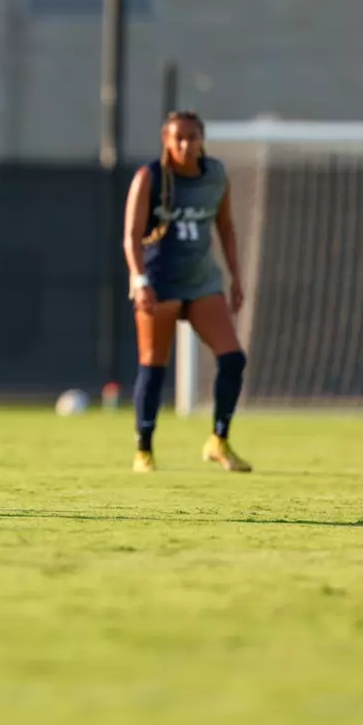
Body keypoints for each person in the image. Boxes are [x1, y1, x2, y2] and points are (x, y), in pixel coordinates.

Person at [123, 110, 249, 473]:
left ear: (202, 139)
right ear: (166, 140)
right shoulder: (150, 177)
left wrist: (236, 277)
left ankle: (218, 440)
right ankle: (144, 449)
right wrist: (139, 279)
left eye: (192, 137)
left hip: (201, 281)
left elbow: (225, 227)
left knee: (233, 359)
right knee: (154, 364)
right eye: (178, 137)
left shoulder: (215, 176)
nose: (185, 144)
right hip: (160, 281)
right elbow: (131, 236)